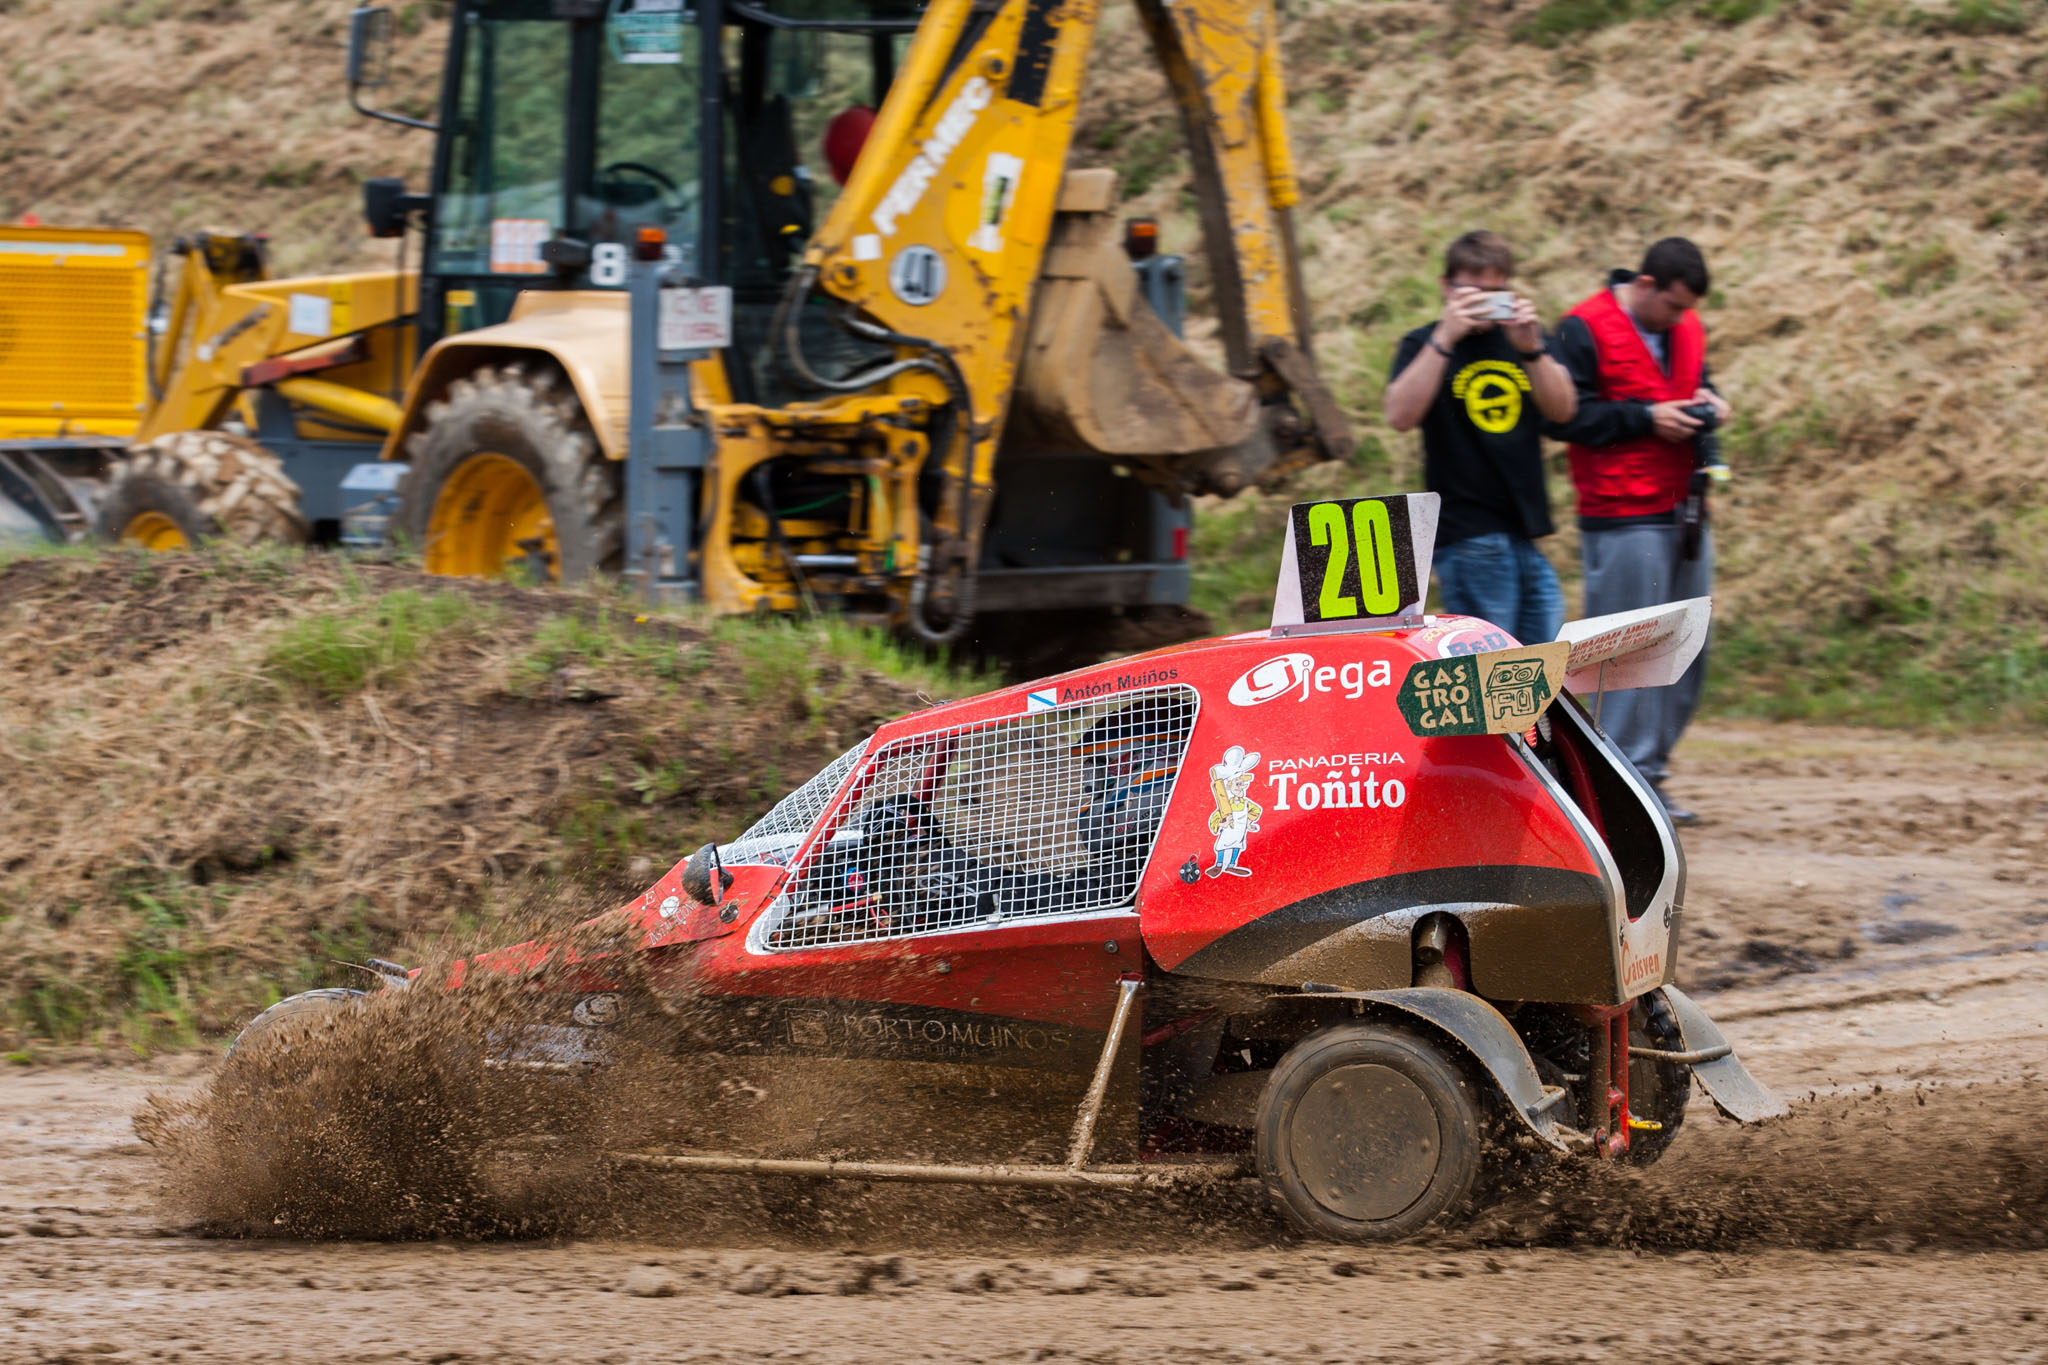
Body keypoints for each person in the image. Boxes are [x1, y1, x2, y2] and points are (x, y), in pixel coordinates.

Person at [1545, 237, 1731, 826]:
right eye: (1672, 306)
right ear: (1646, 284)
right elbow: (1567, 418)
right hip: (1621, 512)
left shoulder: (1686, 325)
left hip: (1684, 509)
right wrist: (1648, 418)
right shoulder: (1582, 327)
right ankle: (1616, 790)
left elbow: (1700, 381)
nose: (1679, 319)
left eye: (1686, 309)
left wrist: (1711, 405)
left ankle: (1650, 778)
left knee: (1686, 648)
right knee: (1625, 656)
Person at [1385, 231, 1577, 647]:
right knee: (1494, 668)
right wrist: (1445, 337)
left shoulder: (1521, 340)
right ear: (1446, 287)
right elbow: (1399, 415)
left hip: (1525, 531)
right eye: (1473, 293)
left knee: (1543, 663)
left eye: (1495, 293)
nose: (1484, 304)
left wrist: (1532, 350)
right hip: (1467, 534)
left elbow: (1563, 410)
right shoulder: (1424, 343)